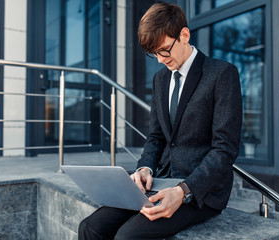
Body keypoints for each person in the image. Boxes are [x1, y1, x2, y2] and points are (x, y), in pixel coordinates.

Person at [78, 2, 242, 239]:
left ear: (184, 35)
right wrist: (144, 168)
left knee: (127, 236)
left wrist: (183, 190)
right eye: (154, 53)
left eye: (164, 50)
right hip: (160, 180)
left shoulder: (222, 74)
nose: (159, 59)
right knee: (90, 227)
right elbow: (156, 137)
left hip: (199, 191)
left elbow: (224, 149)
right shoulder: (160, 79)